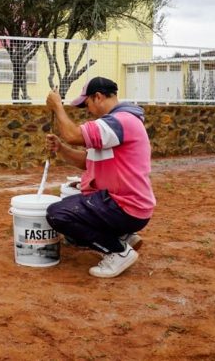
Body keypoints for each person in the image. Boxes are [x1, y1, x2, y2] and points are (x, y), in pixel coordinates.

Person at [45, 76, 155, 279]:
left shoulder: (119, 121)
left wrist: (57, 107)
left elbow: (73, 135)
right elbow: (87, 161)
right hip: (128, 205)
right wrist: (61, 148)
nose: (87, 110)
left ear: (98, 97)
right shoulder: (115, 125)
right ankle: (123, 236)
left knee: (58, 214)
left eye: (87, 104)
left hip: (124, 206)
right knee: (73, 211)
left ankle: (118, 251)